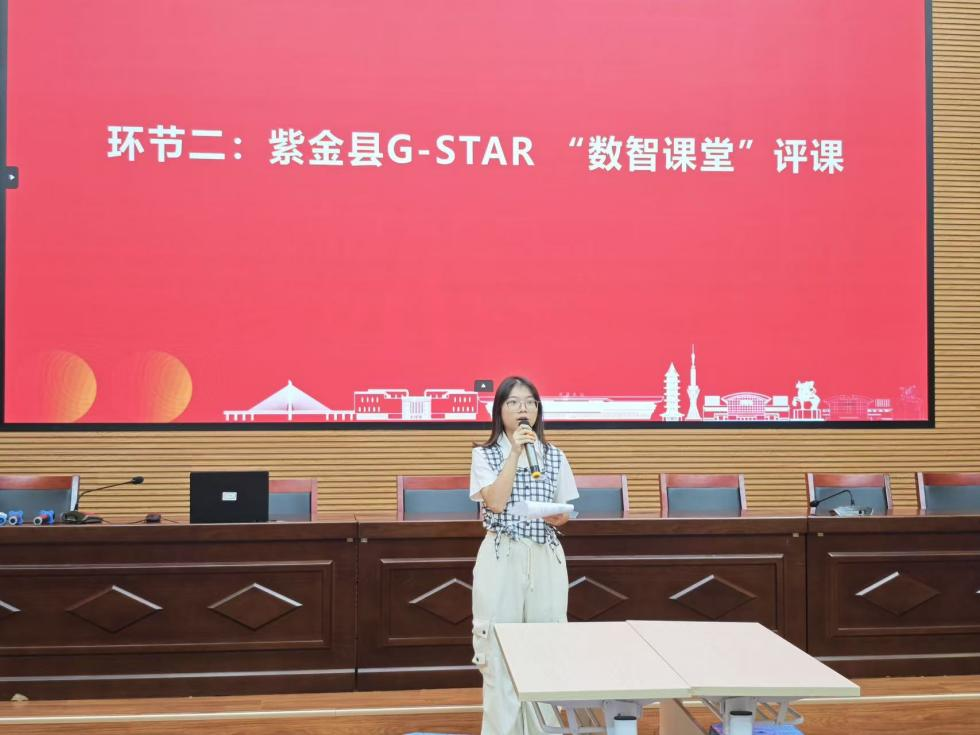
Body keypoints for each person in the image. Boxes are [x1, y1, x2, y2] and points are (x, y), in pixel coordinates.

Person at [469, 376, 579, 735]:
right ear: (499, 410)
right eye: (514, 402)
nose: (523, 409)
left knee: (547, 646)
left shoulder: (554, 455)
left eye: (530, 402)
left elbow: (563, 510)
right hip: (503, 554)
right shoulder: (484, 454)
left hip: (545, 555)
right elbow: (496, 502)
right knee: (499, 649)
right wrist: (515, 453)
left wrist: (558, 515)